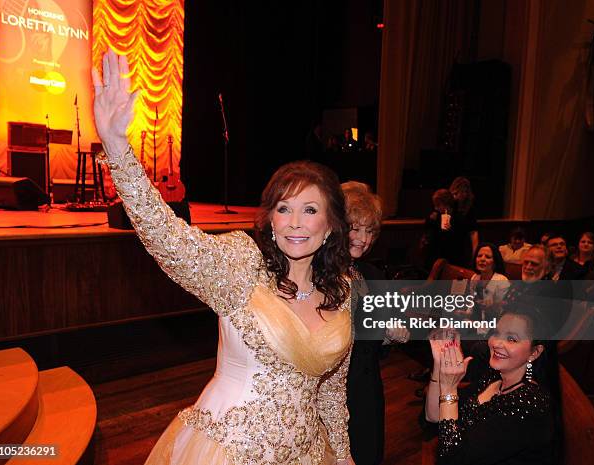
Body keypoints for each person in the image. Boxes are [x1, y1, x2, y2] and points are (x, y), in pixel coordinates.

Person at [93, 50, 355, 465]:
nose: (295, 222)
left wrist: (342, 456)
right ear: (269, 220)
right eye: (283, 209)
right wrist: (118, 148)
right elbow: (168, 238)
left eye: (310, 209)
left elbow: (332, 394)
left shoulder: (342, 290)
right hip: (229, 452)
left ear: (331, 226)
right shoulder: (241, 265)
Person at [425, 306, 560, 465]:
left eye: (512, 339)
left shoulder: (530, 406)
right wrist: (439, 368)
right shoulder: (494, 377)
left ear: (534, 352)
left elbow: (451, 457)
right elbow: (433, 416)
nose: (496, 343)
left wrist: (449, 388)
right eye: (496, 333)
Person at [341, 181, 408, 465]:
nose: (363, 238)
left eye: (370, 231)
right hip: (331, 389)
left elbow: (378, 337)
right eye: (355, 228)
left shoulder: (371, 273)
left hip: (366, 387)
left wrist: (392, 334)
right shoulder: (316, 273)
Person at [468, 243, 510, 324]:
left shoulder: (502, 281)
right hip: (475, 322)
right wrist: (466, 314)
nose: (482, 259)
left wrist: (490, 308)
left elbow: (502, 312)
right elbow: (472, 303)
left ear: (495, 262)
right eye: (479, 256)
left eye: (487, 257)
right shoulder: (474, 278)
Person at [449, 177, 479, 266]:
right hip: (448, 245)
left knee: (461, 276)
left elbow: (473, 232)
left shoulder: (469, 209)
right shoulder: (449, 206)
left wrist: (475, 250)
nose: (464, 194)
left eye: (466, 192)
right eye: (462, 191)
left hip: (462, 247)